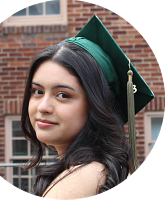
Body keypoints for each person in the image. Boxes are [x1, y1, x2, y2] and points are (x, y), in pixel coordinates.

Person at [21, 16, 154, 199]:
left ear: (97, 105)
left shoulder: (84, 177)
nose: (43, 107)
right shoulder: (104, 169)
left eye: (63, 95)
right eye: (37, 91)